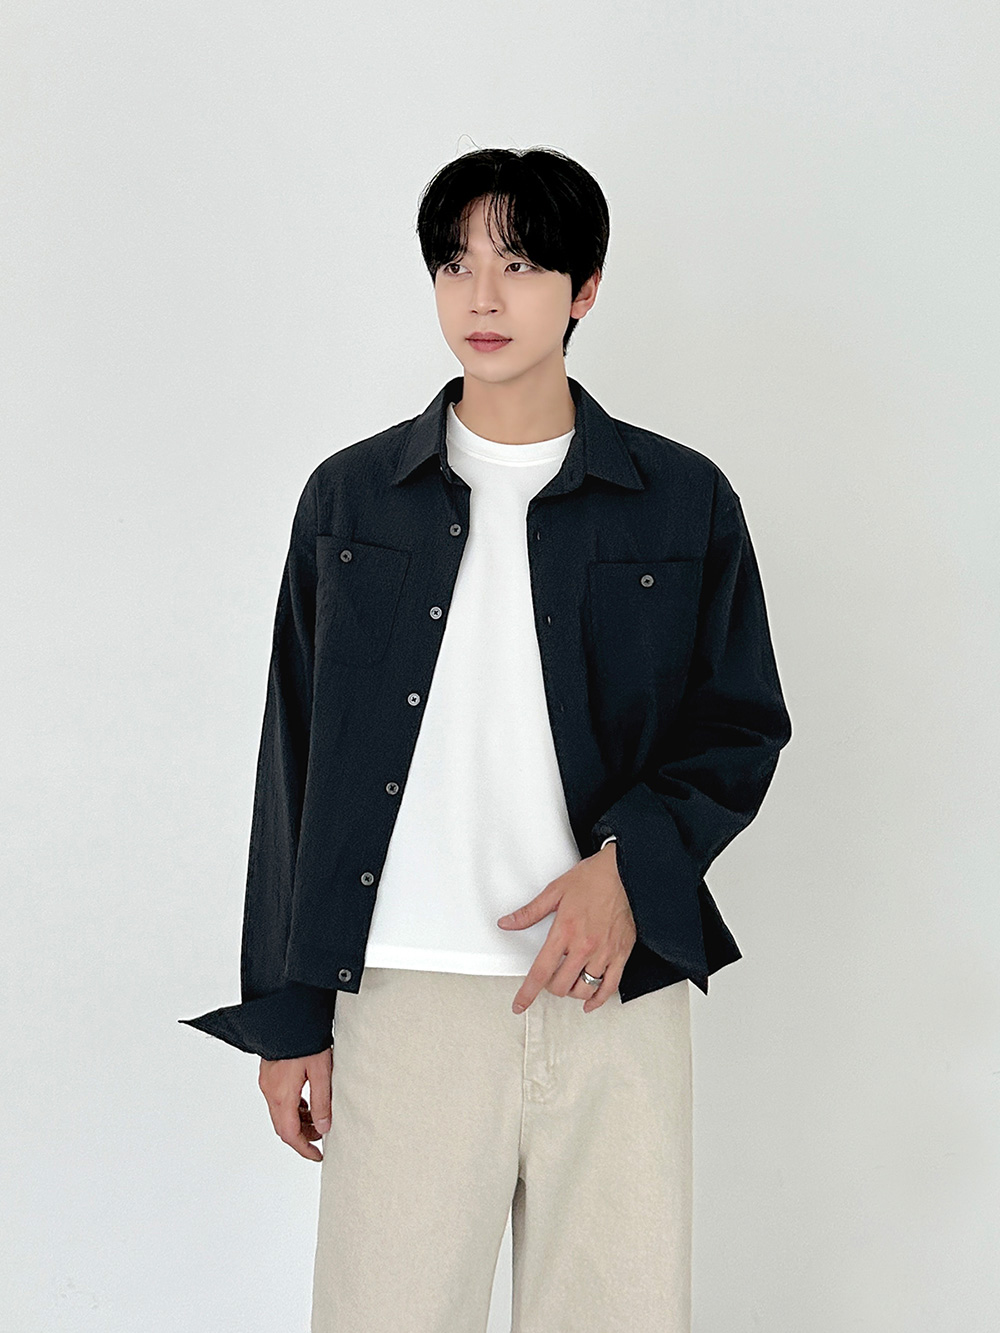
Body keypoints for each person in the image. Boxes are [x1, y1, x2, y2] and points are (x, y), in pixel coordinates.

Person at [179, 145, 792, 1332]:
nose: (483, 295)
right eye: (456, 264)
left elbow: (738, 721)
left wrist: (628, 865)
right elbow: (293, 762)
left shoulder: (681, 499)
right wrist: (287, 1012)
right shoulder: (352, 499)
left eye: (518, 263)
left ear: (585, 287)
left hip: (613, 988)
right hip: (404, 993)